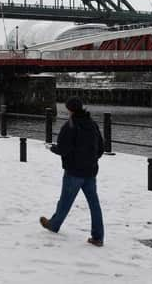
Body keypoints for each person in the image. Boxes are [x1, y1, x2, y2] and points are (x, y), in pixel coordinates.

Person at [40, 97, 105, 247]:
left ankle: (53, 225)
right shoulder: (92, 124)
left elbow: (63, 149)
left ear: (70, 109)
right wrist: (92, 159)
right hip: (90, 171)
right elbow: (101, 148)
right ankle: (98, 236)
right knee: (94, 204)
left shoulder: (70, 125)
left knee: (65, 201)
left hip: (74, 171)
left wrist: (52, 148)